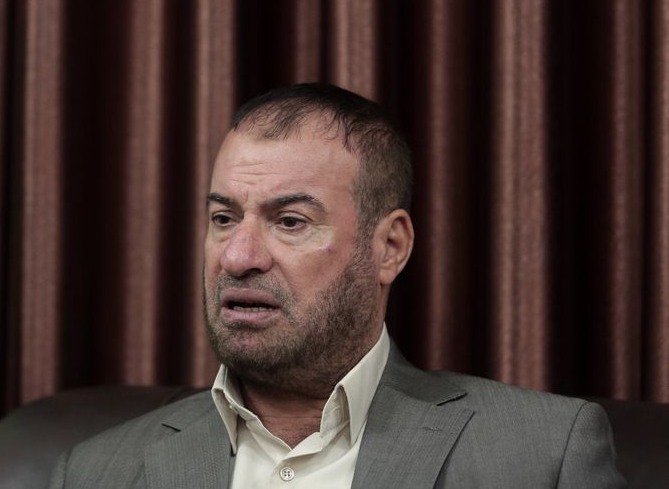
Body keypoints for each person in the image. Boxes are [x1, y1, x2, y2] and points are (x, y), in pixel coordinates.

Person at [49, 83, 625, 488]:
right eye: (224, 218)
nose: (239, 256)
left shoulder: (542, 455)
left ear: (388, 248)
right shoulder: (94, 472)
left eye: (290, 221)